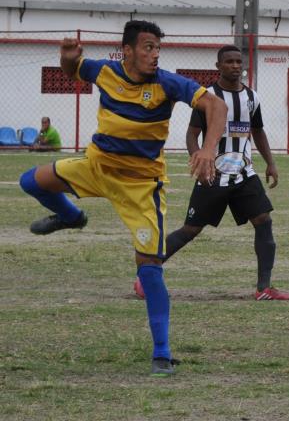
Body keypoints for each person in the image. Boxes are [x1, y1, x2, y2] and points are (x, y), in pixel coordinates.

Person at [18, 20, 227, 376]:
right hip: (97, 165)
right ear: (127, 51)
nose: (154, 55)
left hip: (140, 185)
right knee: (31, 182)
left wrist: (208, 149)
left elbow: (216, 106)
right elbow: (73, 72)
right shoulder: (105, 71)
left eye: (158, 48)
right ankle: (71, 217)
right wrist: (67, 59)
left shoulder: (166, 83)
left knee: (149, 267)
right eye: (147, 47)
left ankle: (162, 352)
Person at [134, 45, 289, 301]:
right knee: (190, 230)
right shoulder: (207, 97)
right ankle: (145, 276)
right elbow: (192, 133)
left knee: (264, 221)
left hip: (244, 174)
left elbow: (258, 131)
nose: (235, 66)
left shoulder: (252, 97)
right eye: (228, 62)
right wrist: (199, 159)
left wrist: (270, 163)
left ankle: (264, 288)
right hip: (214, 175)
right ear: (218, 66)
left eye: (238, 61)